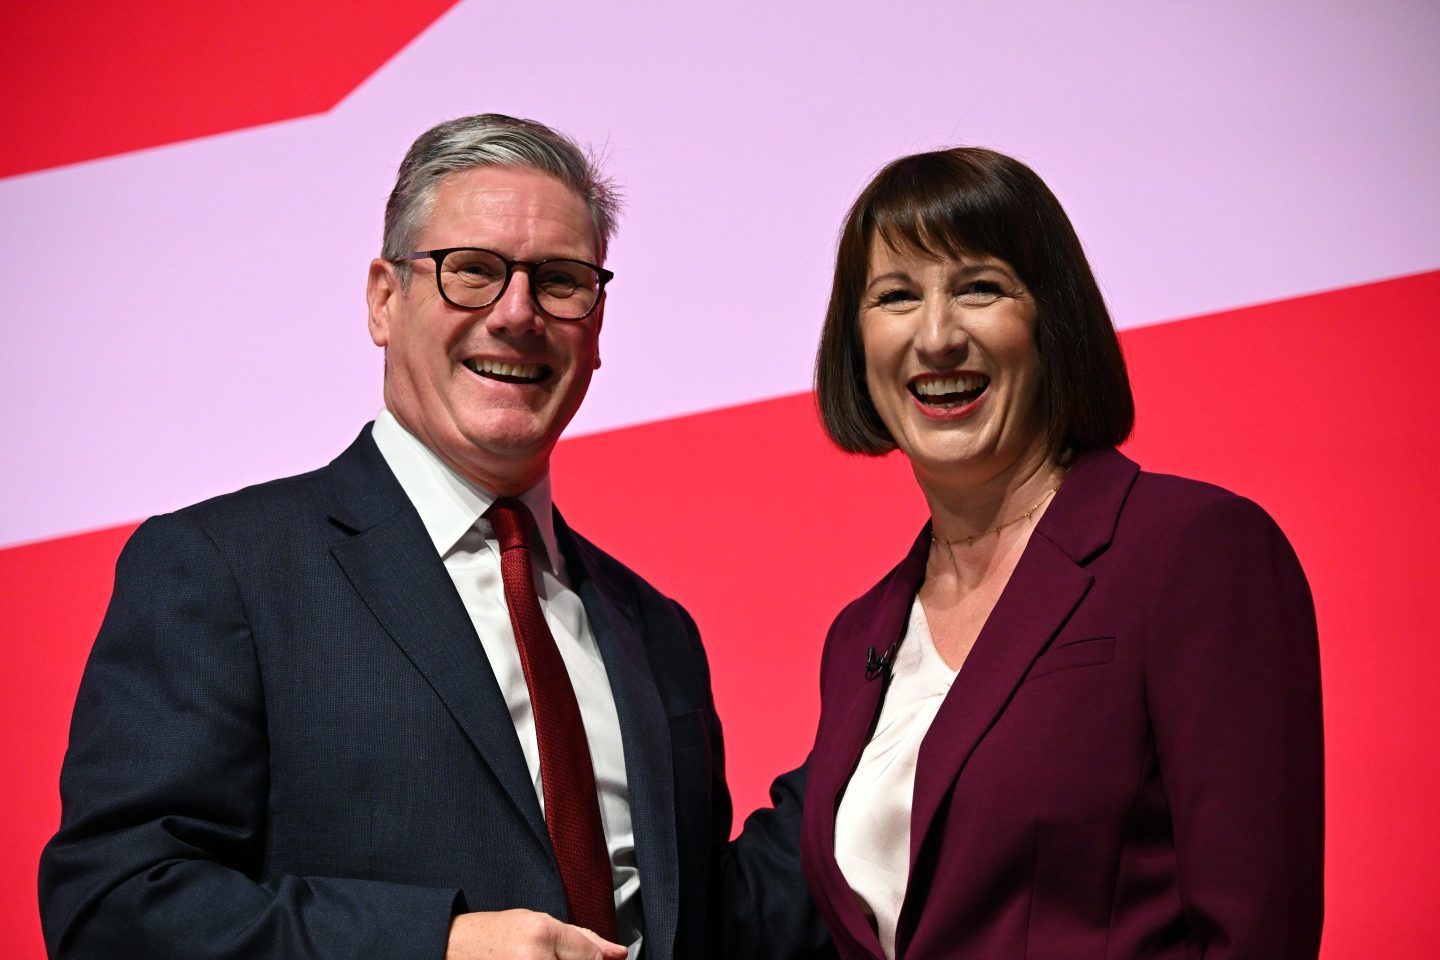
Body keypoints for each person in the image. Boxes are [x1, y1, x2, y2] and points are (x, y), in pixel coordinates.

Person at [39, 114, 827, 960]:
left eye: (560, 281)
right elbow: (116, 909)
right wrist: (435, 947)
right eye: (473, 273)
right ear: (385, 299)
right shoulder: (222, 571)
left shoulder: (657, 632)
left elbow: (716, 926)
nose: (517, 315)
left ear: (597, 328)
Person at [800, 148, 1323, 959]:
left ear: (1052, 320)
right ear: (855, 344)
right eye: (896, 297)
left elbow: (1258, 928)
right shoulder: (858, 636)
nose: (936, 337)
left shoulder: (1191, 552)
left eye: (979, 288)